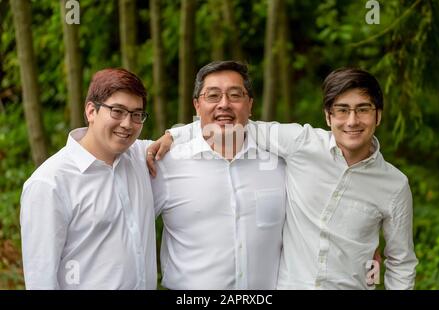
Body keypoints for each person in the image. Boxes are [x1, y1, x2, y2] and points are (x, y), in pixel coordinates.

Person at [150, 66, 417, 289]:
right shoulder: (301, 144)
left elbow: (401, 261)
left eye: (363, 109)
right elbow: (233, 121)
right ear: (327, 116)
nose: (352, 121)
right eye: (342, 110)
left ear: (378, 115)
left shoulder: (394, 185)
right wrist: (176, 134)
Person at [150, 61, 287, 289]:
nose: (224, 104)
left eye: (235, 95)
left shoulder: (281, 164)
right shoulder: (166, 165)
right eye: (212, 96)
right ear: (196, 105)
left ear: (250, 104)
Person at [20, 68, 157, 289]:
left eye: (136, 114)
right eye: (117, 111)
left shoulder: (141, 157)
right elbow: (41, 279)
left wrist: (173, 136)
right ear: (91, 111)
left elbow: (198, 143)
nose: (127, 124)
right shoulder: (50, 183)